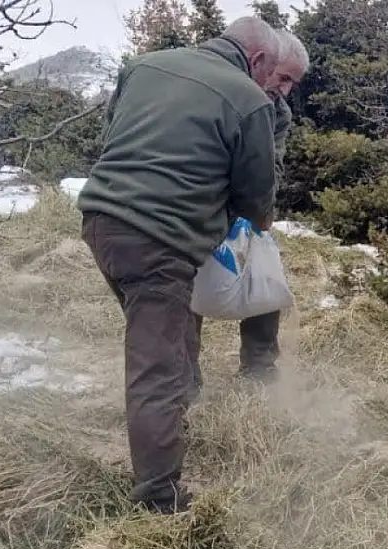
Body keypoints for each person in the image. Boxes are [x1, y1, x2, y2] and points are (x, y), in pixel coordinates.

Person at [77, 16, 282, 515]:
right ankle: (159, 499)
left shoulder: (143, 66)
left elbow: (113, 138)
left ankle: (179, 417)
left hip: (100, 220)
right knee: (156, 368)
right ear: (256, 61)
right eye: (269, 73)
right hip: (159, 240)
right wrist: (244, 225)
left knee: (166, 337)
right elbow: (256, 198)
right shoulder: (248, 98)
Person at [191, 28, 311, 384]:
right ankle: (183, 376)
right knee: (185, 283)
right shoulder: (216, 87)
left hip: (244, 200)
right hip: (197, 200)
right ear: (263, 62)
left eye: (293, 83)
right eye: (283, 77)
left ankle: (259, 370)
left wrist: (256, 214)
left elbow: (271, 166)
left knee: (265, 275)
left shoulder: (279, 112)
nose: (284, 89)